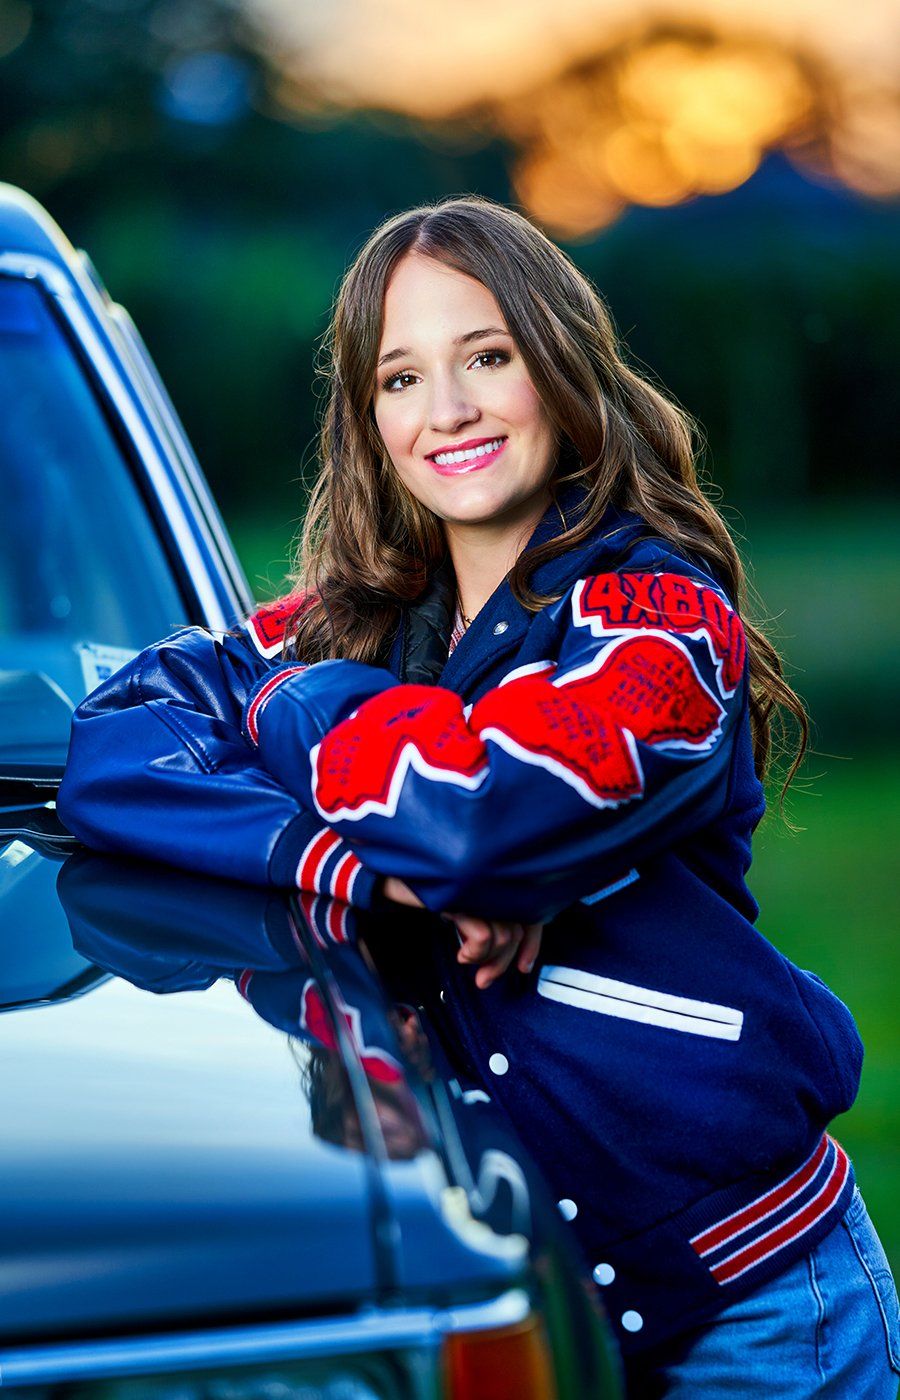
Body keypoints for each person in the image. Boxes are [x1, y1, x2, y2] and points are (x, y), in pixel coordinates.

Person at [58, 195, 899, 1396]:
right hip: (545, 1311)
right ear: (370, 421)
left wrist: (303, 708)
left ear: (559, 366)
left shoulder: (658, 621)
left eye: (487, 356)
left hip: (760, 1311)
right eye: (401, 377)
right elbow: (114, 744)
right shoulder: (361, 623)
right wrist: (360, 868)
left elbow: (476, 821)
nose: (446, 408)